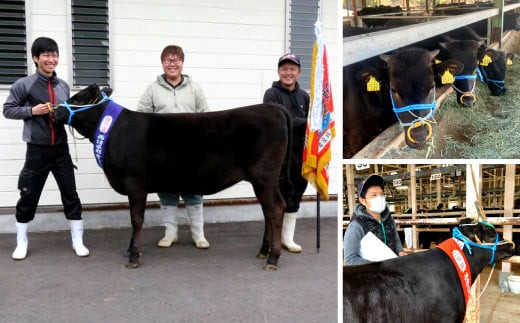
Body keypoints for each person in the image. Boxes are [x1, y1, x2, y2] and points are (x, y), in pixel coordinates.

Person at [2, 37, 89, 260]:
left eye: (55, 55)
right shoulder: (24, 84)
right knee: (28, 196)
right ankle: (21, 243)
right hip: (37, 150)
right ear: (35, 58)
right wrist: (33, 111)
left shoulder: (63, 86)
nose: (52, 59)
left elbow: (67, 112)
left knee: (71, 194)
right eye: (47, 55)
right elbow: (8, 110)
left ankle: (78, 241)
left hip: (61, 149)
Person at [136, 45, 209, 249]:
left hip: (190, 151)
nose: (172, 64)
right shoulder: (153, 89)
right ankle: (170, 234)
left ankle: (199, 235)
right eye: (168, 60)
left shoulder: (195, 88)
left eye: (176, 60)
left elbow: (206, 116)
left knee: (194, 192)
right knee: (167, 192)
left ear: (182, 63)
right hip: (162, 153)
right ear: (162, 63)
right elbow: (140, 116)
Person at [263, 53, 310, 253]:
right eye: (284, 69)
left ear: (299, 72)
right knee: (278, 194)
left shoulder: (304, 96)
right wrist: (306, 122)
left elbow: (310, 124)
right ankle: (274, 236)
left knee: (296, 192)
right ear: (278, 71)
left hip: (300, 152)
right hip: (278, 154)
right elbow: (280, 122)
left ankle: (287, 238)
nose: (288, 73)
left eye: (292, 69)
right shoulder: (271, 94)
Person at [343, 174, 405, 265]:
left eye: (381, 194)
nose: (379, 198)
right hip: (371, 275)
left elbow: (397, 243)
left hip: (392, 271)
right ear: (363, 200)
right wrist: (378, 266)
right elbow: (350, 260)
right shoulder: (357, 226)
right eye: (374, 195)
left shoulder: (389, 220)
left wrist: (400, 253)